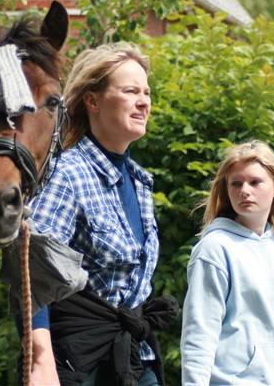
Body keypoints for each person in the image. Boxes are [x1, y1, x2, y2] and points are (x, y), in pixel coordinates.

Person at [25, 42, 179, 386]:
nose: (143, 101)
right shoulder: (66, 174)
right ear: (92, 101)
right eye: (130, 91)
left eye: (146, 92)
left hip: (134, 357)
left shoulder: (140, 182)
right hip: (79, 361)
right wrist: (40, 359)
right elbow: (32, 274)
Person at [180, 141, 274, 386]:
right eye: (236, 183)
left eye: (255, 182)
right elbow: (200, 331)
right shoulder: (215, 249)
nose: (244, 190)